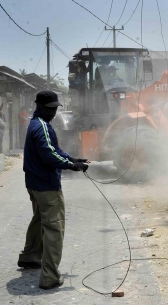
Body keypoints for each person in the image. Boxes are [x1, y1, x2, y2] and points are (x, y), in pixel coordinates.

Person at [18, 91, 90, 290]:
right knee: (53, 228)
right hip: (46, 185)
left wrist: (73, 159)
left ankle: (29, 256)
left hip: (34, 183)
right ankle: (50, 277)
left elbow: (55, 150)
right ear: (39, 106)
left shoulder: (38, 124)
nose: (53, 112)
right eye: (50, 109)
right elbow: (49, 155)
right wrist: (72, 166)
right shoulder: (41, 126)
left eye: (55, 108)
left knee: (39, 219)